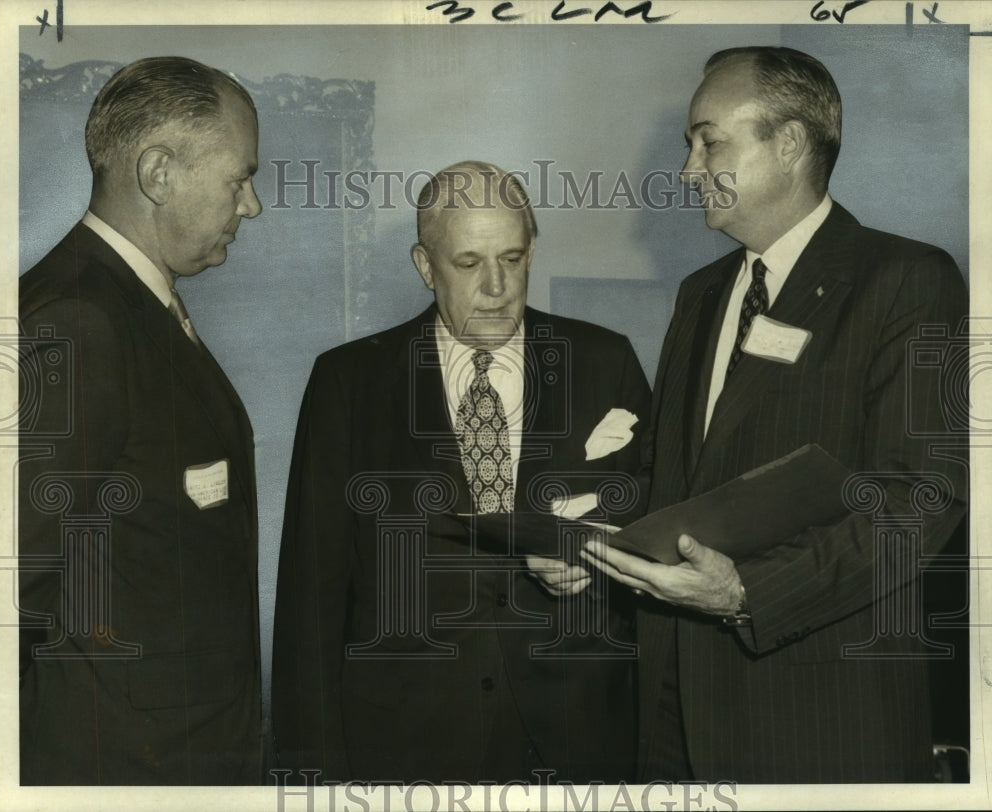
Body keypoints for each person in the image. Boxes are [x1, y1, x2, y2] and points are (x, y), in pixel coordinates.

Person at [581, 47, 968, 782]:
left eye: (709, 141)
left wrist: (746, 593)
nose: (690, 169)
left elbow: (922, 502)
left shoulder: (907, 281)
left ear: (789, 143)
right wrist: (585, 546)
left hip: (816, 717)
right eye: (689, 146)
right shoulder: (701, 293)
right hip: (670, 712)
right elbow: (677, 478)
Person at [272, 161, 650, 783]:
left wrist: (594, 559)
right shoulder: (351, 381)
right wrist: (314, 776)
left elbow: (653, 513)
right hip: (407, 742)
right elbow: (311, 595)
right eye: (469, 264)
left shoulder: (605, 358)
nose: (497, 286)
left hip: (580, 735)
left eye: (513, 257)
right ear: (425, 266)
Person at [18, 56, 263, 785]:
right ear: (158, 173)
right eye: (239, 178)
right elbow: (10, 589)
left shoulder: (127, 300)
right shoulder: (79, 318)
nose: (250, 206)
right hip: (120, 767)